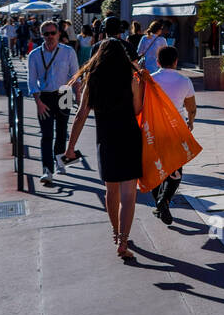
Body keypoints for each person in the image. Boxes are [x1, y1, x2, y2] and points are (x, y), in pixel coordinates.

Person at [62, 39, 145, 259]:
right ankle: (124, 240)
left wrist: (71, 147)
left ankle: (115, 233)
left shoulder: (93, 80)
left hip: (106, 138)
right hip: (129, 136)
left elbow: (81, 115)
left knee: (111, 190)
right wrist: (142, 86)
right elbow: (138, 109)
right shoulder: (131, 78)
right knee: (129, 193)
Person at [28, 20, 81, 185]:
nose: (50, 36)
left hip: (64, 93)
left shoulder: (68, 52)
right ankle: (47, 170)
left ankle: (60, 162)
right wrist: (38, 102)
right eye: (46, 33)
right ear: (41, 35)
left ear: (58, 34)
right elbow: (31, 81)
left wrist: (78, 98)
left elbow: (75, 76)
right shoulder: (35, 55)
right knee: (46, 135)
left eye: (53, 33)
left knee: (61, 131)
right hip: (44, 96)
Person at [149, 46, 196, 225]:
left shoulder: (150, 81)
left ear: (158, 62)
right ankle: (165, 200)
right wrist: (190, 122)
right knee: (175, 169)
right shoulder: (184, 81)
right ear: (176, 61)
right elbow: (191, 108)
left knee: (155, 169)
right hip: (176, 129)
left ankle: (160, 202)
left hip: (154, 130)